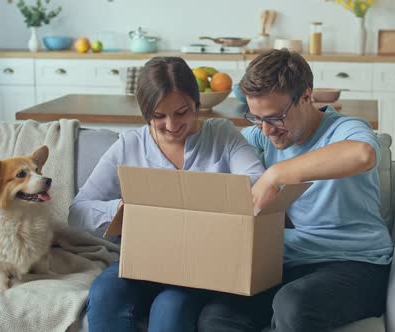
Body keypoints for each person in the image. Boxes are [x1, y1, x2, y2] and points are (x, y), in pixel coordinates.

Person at [198, 49, 394, 332]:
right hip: (285, 262)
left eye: (276, 117)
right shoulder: (260, 136)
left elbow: (362, 154)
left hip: (354, 263)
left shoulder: (344, 129)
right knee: (216, 315)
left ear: (305, 96)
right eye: (256, 117)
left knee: (293, 305)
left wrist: (276, 174)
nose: (266, 130)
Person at [68, 56, 265, 332]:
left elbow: (258, 183)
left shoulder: (222, 135)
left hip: (201, 265)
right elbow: (77, 212)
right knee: (104, 293)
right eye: (159, 116)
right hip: (143, 260)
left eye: (182, 112)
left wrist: (208, 196)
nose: (172, 125)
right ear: (145, 112)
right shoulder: (130, 145)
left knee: (170, 307)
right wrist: (123, 208)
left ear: (196, 104)